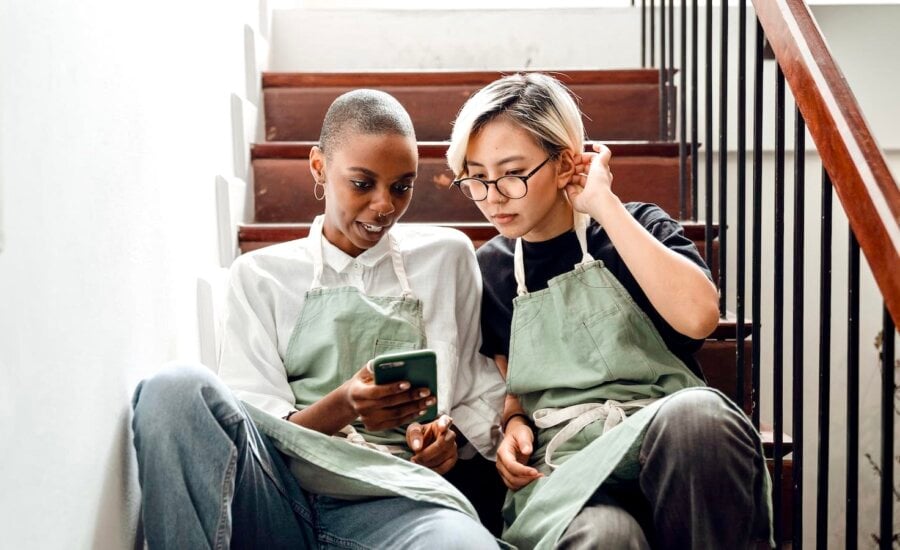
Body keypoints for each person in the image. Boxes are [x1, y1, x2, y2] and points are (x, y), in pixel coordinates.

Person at [131, 89, 507, 549]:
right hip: (277, 497)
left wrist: (446, 442)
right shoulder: (260, 276)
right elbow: (258, 432)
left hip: (396, 498)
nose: (384, 205)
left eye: (401, 186)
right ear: (318, 167)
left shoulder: (447, 258)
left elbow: (476, 399)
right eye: (362, 183)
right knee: (174, 388)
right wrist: (345, 404)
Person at [446, 73, 773, 549]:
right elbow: (511, 385)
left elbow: (699, 317)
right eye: (475, 176)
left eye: (513, 173)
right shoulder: (491, 270)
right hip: (565, 469)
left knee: (699, 416)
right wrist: (513, 424)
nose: (493, 195)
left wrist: (603, 204)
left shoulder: (637, 226)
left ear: (563, 164)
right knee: (606, 536)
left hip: (665, 444)